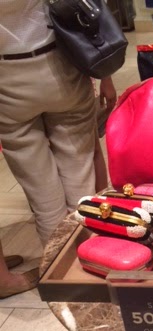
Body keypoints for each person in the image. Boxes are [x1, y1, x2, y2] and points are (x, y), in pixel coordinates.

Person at [0, 0, 105, 298]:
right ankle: (88, 262)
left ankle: (58, 272)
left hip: (6, 75)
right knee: (79, 170)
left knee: (41, 190)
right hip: (58, 64)